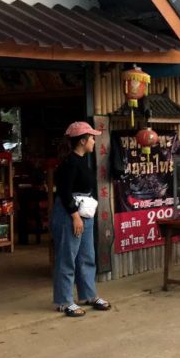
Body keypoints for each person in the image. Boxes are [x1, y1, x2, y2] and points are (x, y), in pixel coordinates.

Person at [52, 121, 111, 317]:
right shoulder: (68, 163)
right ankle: (64, 301)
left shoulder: (83, 160)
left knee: (87, 255)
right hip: (70, 215)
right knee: (67, 257)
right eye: (92, 138)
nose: (94, 141)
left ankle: (88, 295)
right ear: (82, 141)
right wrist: (75, 216)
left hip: (85, 213)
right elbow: (64, 192)